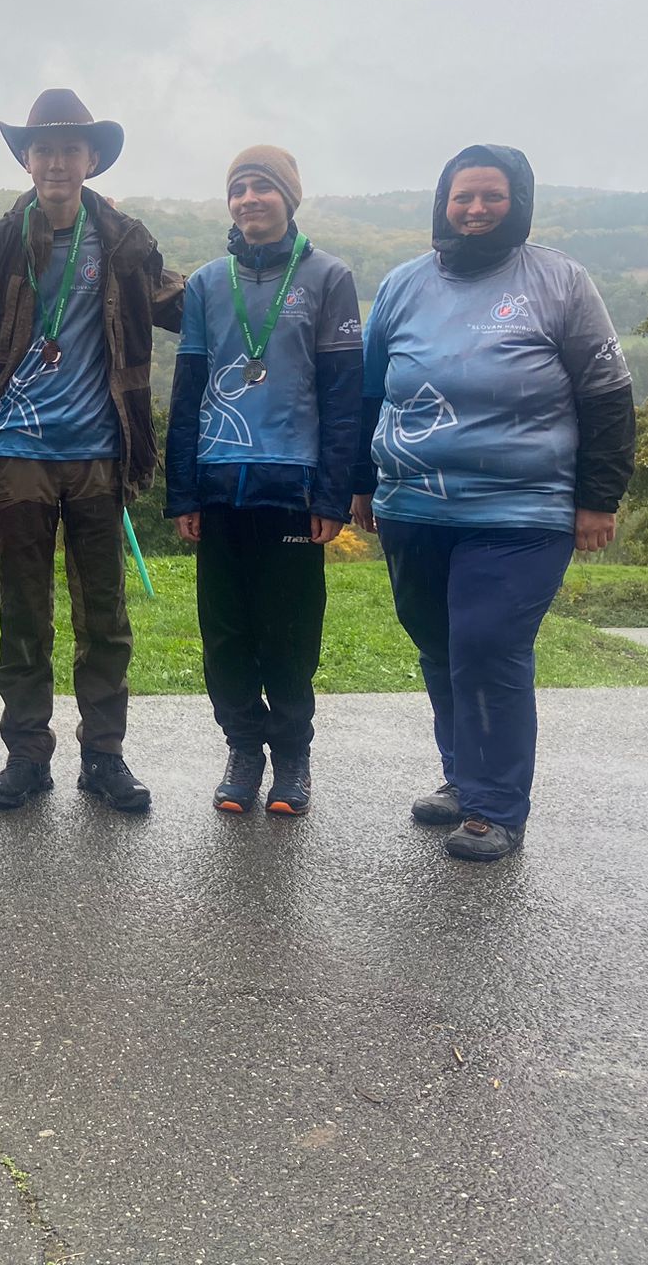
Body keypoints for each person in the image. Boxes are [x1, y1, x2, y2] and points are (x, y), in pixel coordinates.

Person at [350, 144, 635, 861]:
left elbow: (606, 395)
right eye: (462, 197)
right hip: (413, 507)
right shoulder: (403, 285)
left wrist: (599, 498)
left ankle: (496, 806)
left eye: (493, 197)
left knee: (486, 644)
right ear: (442, 203)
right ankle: (462, 776)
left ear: (520, 203)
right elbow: (365, 392)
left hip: (522, 511)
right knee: (439, 645)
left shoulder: (559, 281)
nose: (475, 210)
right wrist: (357, 481)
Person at [0, 90, 183, 813]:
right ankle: (26, 755)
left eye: (69, 148)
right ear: (26, 158)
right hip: (16, 452)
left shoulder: (125, 239)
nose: (55, 160)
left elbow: (180, 307)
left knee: (104, 616)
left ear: (91, 158)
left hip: (99, 452)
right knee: (23, 612)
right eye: (42, 148)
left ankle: (104, 756)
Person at [165, 147, 363, 818]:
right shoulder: (205, 284)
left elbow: (343, 396)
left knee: (290, 631)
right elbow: (188, 388)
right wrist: (184, 491)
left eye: (263, 188)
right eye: (239, 188)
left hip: (294, 489)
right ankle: (243, 749)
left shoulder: (329, 277)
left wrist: (334, 493)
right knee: (224, 632)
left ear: (290, 198)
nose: (250, 199)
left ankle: (293, 756)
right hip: (220, 485)